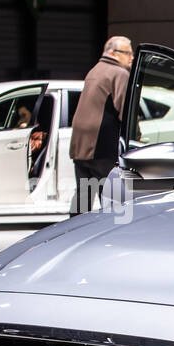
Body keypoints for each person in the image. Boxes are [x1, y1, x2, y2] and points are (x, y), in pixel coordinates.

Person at [68, 35, 132, 215]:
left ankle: (73, 231)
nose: (131, 57)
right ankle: (115, 235)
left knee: (83, 194)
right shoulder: (119, 73)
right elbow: (124, 109)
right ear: (113, 53)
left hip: (81, 144)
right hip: (101, 142)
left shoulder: (95, 70)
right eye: (127, 53)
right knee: (113, 199)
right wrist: (135, 135)